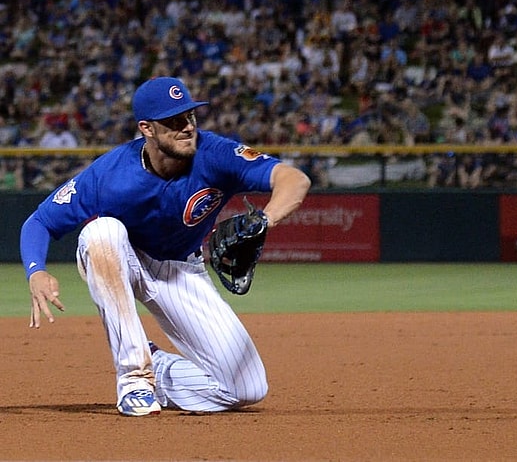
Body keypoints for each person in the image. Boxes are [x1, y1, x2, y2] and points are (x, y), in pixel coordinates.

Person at [19, 76, 311, 416]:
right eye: (173, 122)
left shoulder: (215, 153)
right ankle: (134, 379)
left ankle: (155, 365)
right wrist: (36, 271)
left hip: (179, 268)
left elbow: (294, 179)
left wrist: (264, 220)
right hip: (124, 258)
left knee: (247, 388)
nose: (186, 127)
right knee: (101, 232)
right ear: (147, 128)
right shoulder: (111, 173)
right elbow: (38, 222)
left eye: (189, 116)